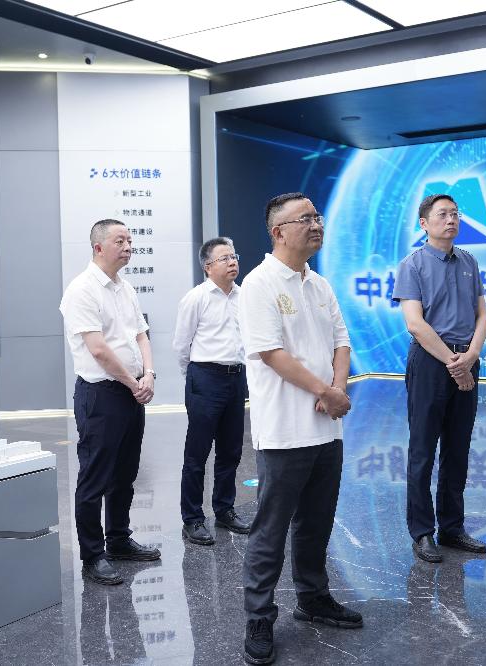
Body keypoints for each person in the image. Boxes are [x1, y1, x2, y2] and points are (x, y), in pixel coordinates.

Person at [239, 193, 360, 665]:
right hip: (285, 431)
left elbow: (341, 341)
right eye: (304, 219)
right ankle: (259, 617)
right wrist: (326, 392)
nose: (316, 224)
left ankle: (313, 598)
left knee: (316, 523)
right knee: (270, 530)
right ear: (278, 231)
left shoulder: (319, 284)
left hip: (326, 430)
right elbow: (272, 353)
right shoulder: (259, 283)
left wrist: (337, 389)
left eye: (317, 216)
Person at [59, 219, 161, 586]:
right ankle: (93, 555)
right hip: (101, 395)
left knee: (125, 474)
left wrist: (149, 374)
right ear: (98, 247)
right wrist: (134, 383)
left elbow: (141, 334)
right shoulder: (81, 290)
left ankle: (118, 539)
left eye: (130, 239)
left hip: (131, 392)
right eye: (120, 240)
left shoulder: (125, 287)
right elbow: (98, 350)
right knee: (95, 477)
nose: (129, 246)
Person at [393, 194, 486, 564]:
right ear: (424, 223)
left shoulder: (469, 261)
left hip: (466, 358)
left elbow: (482, 315)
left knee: (458, 447)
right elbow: (415, 324)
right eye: (442, 214)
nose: (451, 220)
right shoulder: (413, 264)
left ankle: (452, 527)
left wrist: (471, 356)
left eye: (455, 214)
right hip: (432, 362)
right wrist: (454, 363)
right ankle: (422, 532)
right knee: (423, 449)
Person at [173, 237, 250, 545]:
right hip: (205, 377)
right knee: (197, 453)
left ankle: (224, 509)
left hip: (236, 378)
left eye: (234, 256)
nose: (232, 262)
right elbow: (181, 345)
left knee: (231, 450)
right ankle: (192, 519)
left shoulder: (244, 296)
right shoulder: (196, 298)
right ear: (207, 267)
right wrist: (194, 377)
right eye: (224, 258)